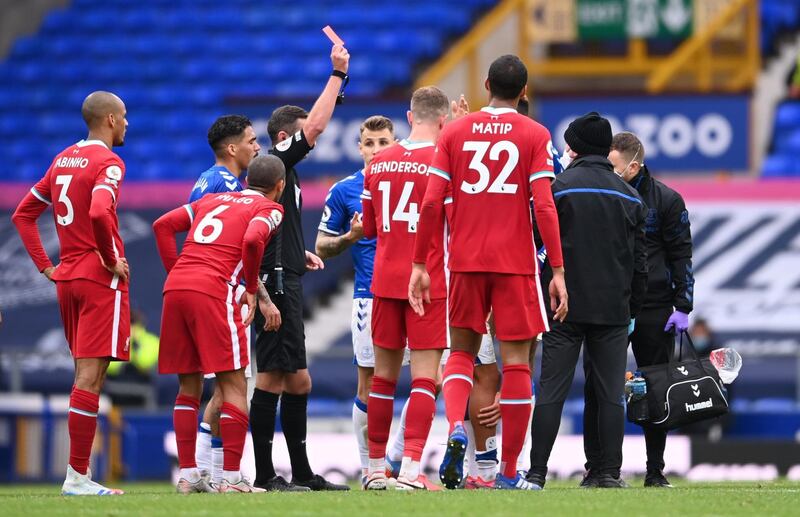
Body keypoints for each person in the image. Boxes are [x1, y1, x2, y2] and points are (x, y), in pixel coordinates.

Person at [409, 54, 567, 491]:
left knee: (461, 353)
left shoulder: (455, 131)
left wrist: (421, 263)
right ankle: (510, 472)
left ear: (485, 84)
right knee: (516, 363)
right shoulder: (534, 133)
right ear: (524, 92)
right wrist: (557, 269)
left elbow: (430, 201)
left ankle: (456, 425)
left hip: (464, 260)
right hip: (514, 263)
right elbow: (544, 205)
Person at [12, 91, 130, 495]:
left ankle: (78, 476)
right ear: (111, 119)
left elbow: (23, 214)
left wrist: (46, 266)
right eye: (125, 117)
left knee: (85, 375)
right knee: (90, 377)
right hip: (99, 277)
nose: (128, 124)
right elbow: (99, 212)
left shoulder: (62, 159)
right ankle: (77, 477)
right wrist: (111, 256)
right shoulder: (109, 162)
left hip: (68, 278)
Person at [527, 113, 648, 489]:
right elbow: (639, 264)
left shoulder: (557, 188)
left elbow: (535, 243)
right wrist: (632, 310)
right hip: (613, 308)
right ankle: (608, 473)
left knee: (551, 391)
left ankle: (535, 474)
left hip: (563, 305)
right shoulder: (630, 196)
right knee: (611, 394)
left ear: (575, 147)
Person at [249, 44, 351, 492]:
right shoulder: (277, 163)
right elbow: (316, 125)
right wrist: (337, 75)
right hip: (274, 284)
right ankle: (266, 475)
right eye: (301, 138)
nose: (311, 144)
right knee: (272, 376)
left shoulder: (281, 175)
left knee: (299, 379)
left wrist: (298, 253)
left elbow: (276, 228)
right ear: (286, 137)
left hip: (287, 274)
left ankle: (302, 473)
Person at [152, 155, 286, 494]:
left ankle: (188, 475)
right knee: (234, 386)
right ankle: (230, 478)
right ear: (280, 186)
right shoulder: (269, 209)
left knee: (189, 386)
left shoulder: (210, 199)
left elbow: (162, 226)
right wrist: (252, 290)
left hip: (176, 289)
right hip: (214, 291)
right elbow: (254, 240)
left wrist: (178, 270)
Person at [582, 131, 693, 488]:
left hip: (653, 308)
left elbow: (681, 254)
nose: (608, 172)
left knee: (655, 389)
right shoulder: (603, 194)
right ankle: (597, 468)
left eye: (614, 167)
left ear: (634, 165)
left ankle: (655, 471)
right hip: (608, 305)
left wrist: (683, 305)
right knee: (597, 388)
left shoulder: (667, 201)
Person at [359, 87, 453, 490]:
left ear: (410, 117)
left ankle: (376, 470)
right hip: (428, 280)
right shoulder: (443, 162)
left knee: (382, 379)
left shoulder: (377, 162)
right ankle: (412, 469)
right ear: (444, 121)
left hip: (384, 279)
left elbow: (368, 225)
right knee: (425, 379)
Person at [314, 115, 405, 486]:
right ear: (359, 147)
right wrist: (351, 237)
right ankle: (371, 469)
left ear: (395, 144)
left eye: (384, 142)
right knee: (369, 383)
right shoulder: (344, 190)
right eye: (370, 143)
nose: (376, 150)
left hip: (416, 294)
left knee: (430, 379)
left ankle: (398, 458)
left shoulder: (412, 182)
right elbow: (321, 246)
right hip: (370, 297)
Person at [188, 114, 265, 489]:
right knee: (232, 385)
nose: (257, 146)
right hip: (219, 293)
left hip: (210, 289)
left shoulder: (212, 179)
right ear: (232, 148)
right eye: (251, 140)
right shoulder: (225, 185)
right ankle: (210, 471)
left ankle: (213, 472)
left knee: (224, 386)